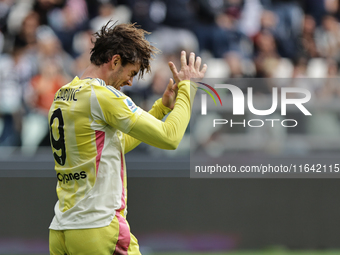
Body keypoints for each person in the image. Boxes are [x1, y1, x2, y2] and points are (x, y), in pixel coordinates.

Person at [48, 21, 207, 255]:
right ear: (115, 61)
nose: (130, 82)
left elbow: (116, 144)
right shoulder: (103, 96)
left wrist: (160, 109)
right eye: (131, 72)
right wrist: (188, 90)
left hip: (62, 230)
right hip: (99, 228)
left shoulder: (63, 94)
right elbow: (170, 138)